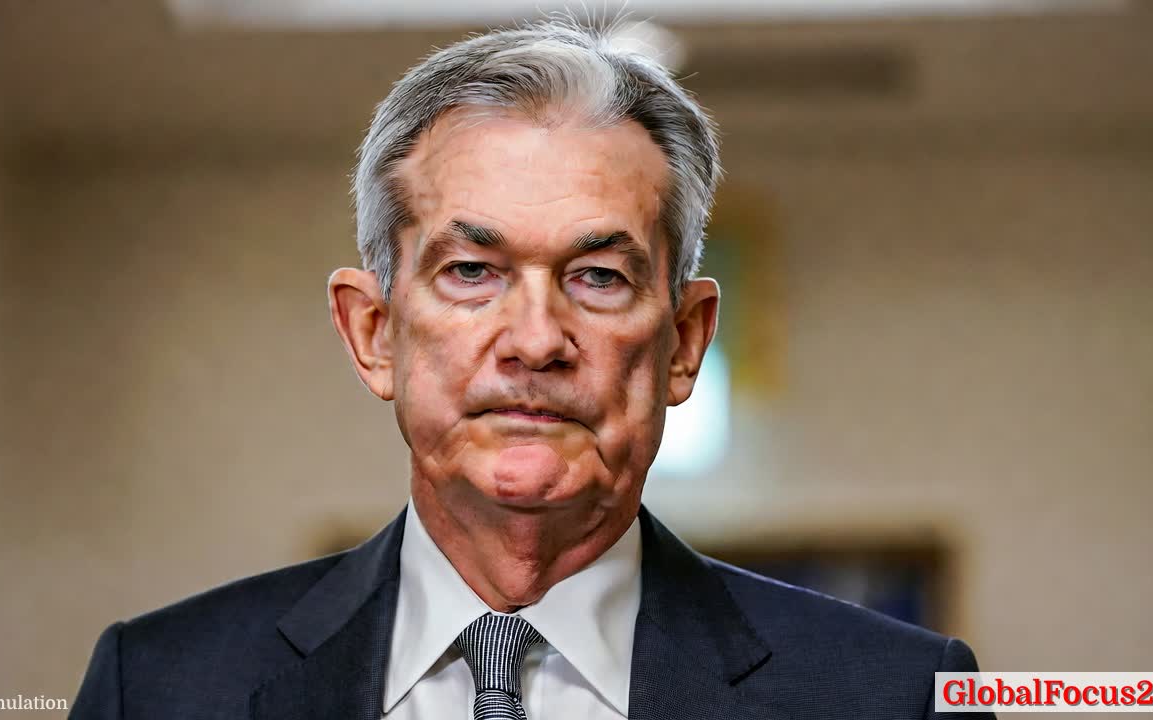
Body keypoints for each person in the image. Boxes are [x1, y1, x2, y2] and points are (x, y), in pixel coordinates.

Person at [69, 19, 992, 720]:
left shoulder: (895, 699)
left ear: (683, 342)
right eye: (472, 271)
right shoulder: (156, 688)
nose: (536, 340)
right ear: (374, 333)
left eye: (598, 277)